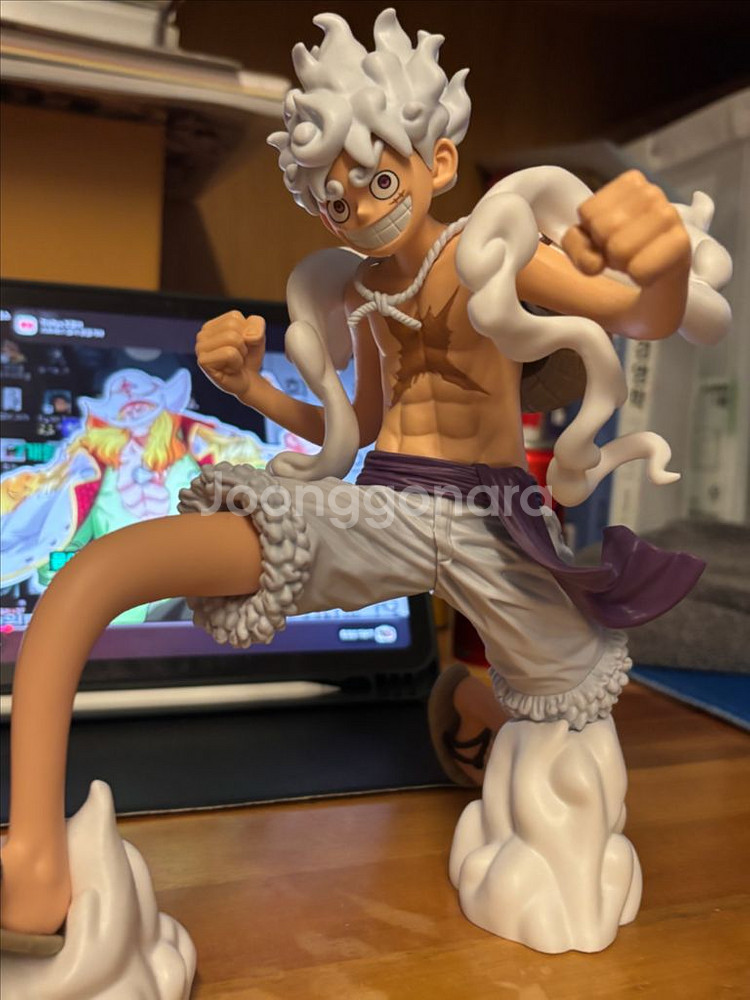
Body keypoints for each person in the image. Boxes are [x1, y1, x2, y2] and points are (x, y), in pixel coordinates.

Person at [0, 8, 729, 950]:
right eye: (335, 202)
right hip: (388, 500)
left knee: (573, 696)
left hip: (489, 517)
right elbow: (352, 429)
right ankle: (35, 852)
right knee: (103, 572)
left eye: (379, 179)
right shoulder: (364, 292)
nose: (360, 210)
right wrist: (251, 388)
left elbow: (643, 317)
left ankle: (481, 731)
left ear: (439, 160)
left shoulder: (496, 255)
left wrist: (659, 265)